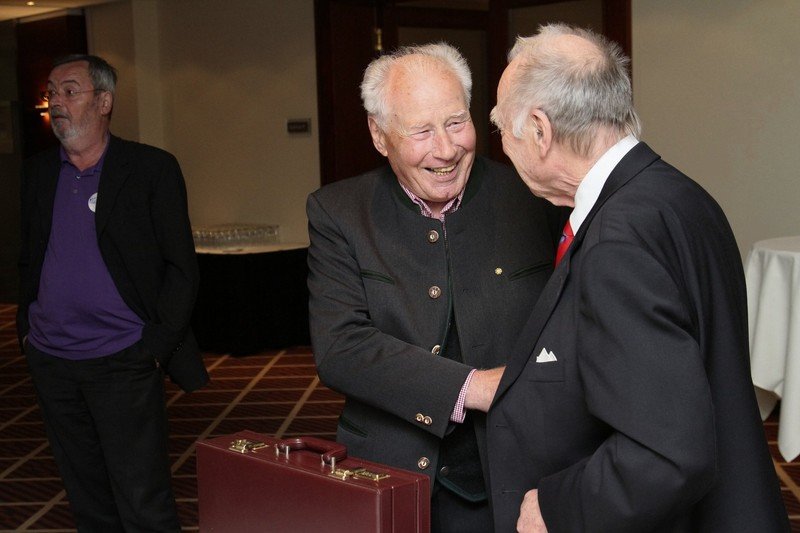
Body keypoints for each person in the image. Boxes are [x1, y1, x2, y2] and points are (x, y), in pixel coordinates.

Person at [487, 23, 789, 532]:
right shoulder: (679, 193)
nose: (503, 146)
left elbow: (665, 453)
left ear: (540, 130)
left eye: (502, 128)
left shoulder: (616, 240)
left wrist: (557, 507)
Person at [306, 43, 565, 532]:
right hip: (392, 475)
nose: (445, 150)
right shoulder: (338, 212)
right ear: (379, 135)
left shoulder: (534, 197)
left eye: (456, 122)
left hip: (514, 473)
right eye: (421, 131)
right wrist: (474, 387)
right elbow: (340, 347)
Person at [17, 54, 208, 531]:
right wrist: (27, 331)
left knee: (142, 499)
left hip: (123, 358)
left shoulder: (149, 169)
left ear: (104, 102)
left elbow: (181, 268)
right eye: (52, 92)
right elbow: (30, 257)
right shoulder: (40, 172)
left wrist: (155, 346)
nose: (55, 102)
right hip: (52, 358)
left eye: (70, 91)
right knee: (87, 497)